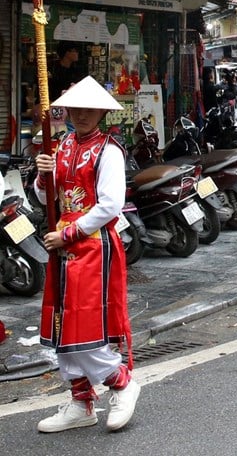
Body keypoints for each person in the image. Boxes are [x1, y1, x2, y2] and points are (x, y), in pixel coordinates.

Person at [33, 76, 140, 433]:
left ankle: (121, 383)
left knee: (84, 324)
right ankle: (81, 402)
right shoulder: (61, 146)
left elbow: (110, 205)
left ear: (101, 113)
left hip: (91, 246)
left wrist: (67, 234)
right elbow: (47, 198)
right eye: (75, 108)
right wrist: (42, 177)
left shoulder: (109, 151)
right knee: (62, 325)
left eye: (89, 110)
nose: (81, 115)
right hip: (61, 246)